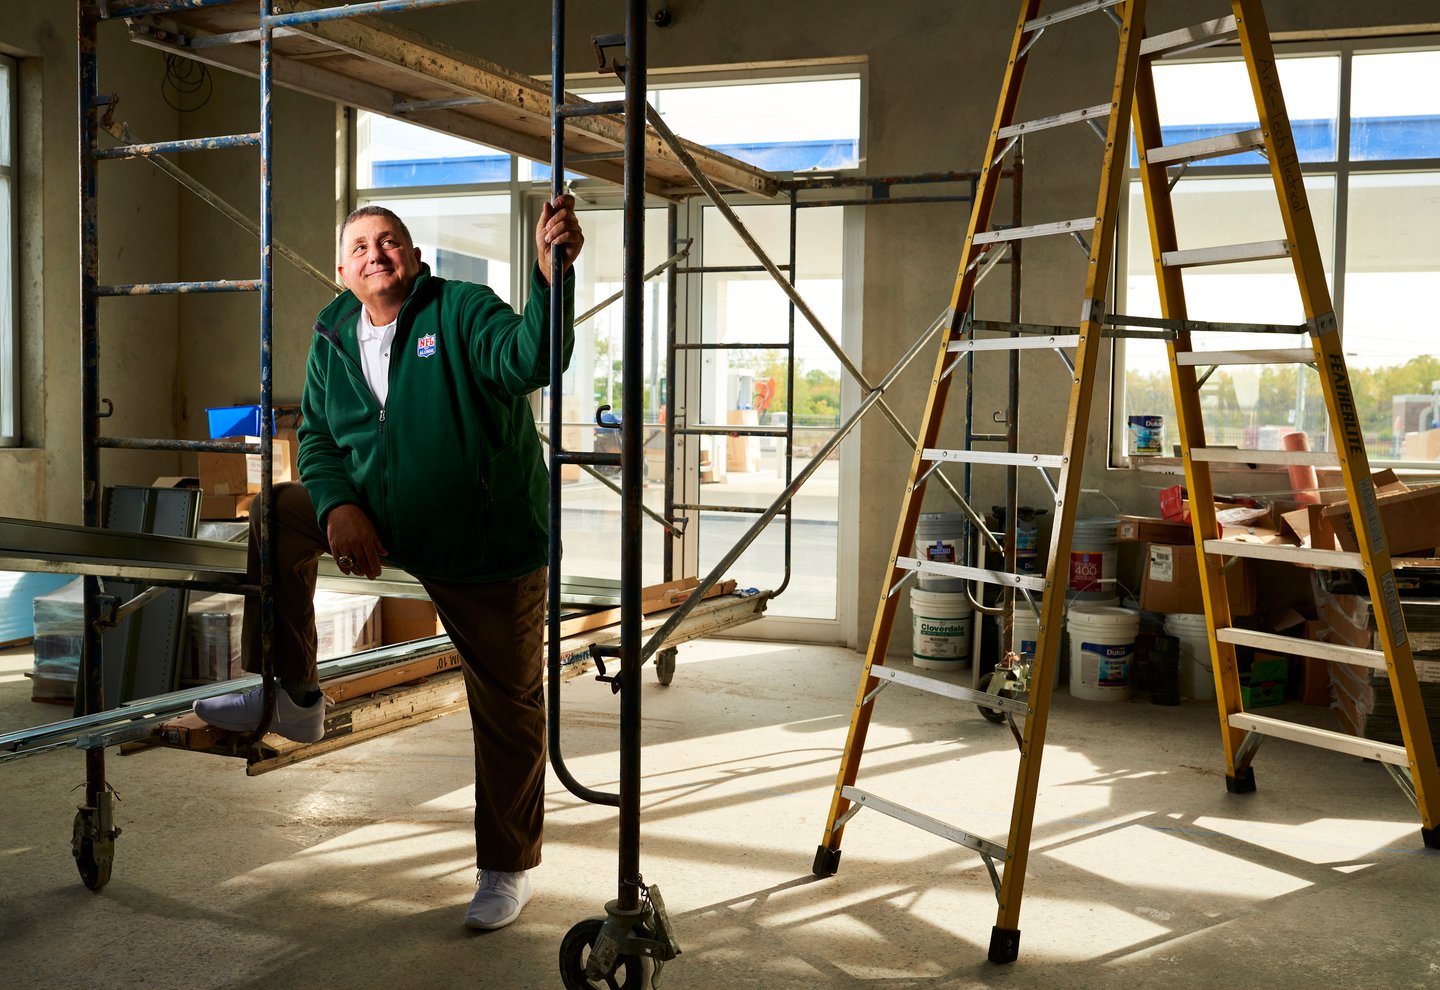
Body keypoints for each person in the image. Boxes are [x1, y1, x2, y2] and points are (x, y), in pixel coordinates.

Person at [194, 197, 583, 932]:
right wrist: (338, 506)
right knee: (277, 510)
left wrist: (550, 281)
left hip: (483, 541)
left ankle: (508, 867)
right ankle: (294, 694)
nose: (378, 253)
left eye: (392, 242)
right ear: (343, 271)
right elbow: (316, 438)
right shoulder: (334, 332)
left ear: (416, 258)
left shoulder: (461, 310)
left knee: (507, 708)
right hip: (384, 517)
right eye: (362, 246)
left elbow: (531, 358)